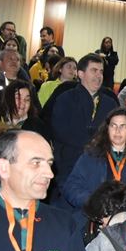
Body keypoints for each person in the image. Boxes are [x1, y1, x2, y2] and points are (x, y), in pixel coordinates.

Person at [63, 108, 126, 227]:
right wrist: (94, 202)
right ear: (107, 129)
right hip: (92, 219)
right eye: (113, 126)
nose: (117, 131)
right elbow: (71, 187)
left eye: (123, 126)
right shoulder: (90, 156)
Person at [50, 53, 118, 190]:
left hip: (102, 167)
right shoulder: (65, 99)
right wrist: (92, 143)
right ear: (80, 74)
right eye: (94, 70)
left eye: (101, 72)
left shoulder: (110, 103)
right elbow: (60, 131)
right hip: (69, 167)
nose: (99, 75)